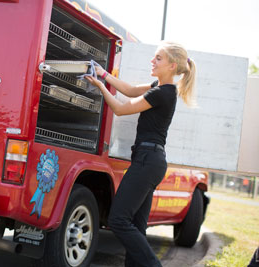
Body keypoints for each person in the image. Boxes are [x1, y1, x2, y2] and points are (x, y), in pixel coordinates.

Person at [85, 41, 196, 267]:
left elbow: (120, 108)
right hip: (149, 161)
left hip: (148, 161)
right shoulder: (160, 87)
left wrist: (100, 86)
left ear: (172, 66)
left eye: (158, 58)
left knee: (118, 220)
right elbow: (129, 90)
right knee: (136, 226)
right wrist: (104, 74)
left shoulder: (163, 93)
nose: (152, 61)